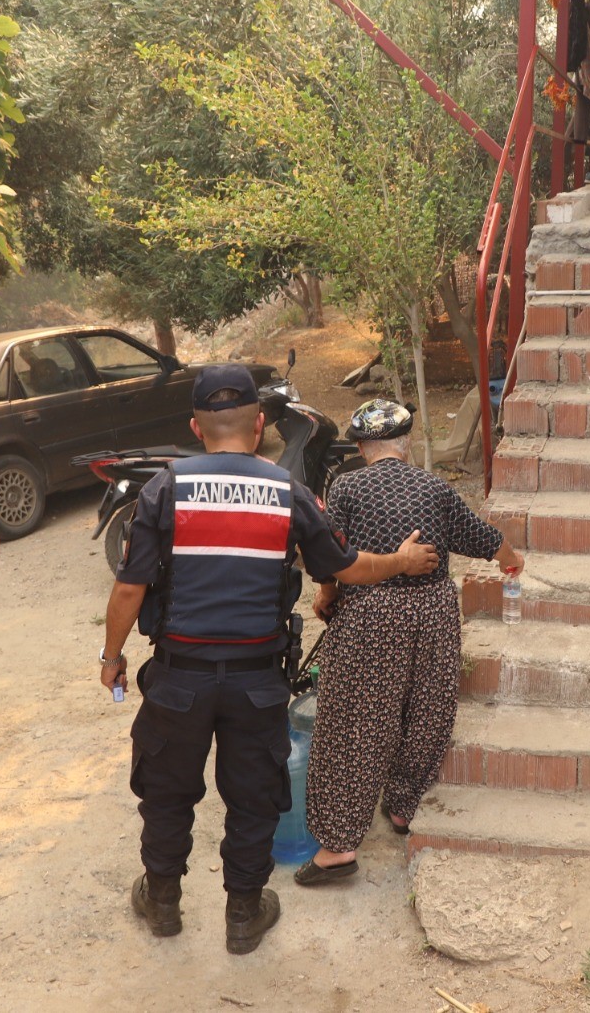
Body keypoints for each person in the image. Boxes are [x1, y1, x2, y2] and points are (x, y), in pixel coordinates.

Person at [99, 366, 439, 955]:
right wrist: (401, 563)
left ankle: (163, 904)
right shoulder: (289, 494)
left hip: (179, 679)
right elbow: (344, 567)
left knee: (167, 792)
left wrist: (111, 658)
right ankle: (243, 915)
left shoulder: (165, 488)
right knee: (254, 796)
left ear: (194, 427)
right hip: (257, 683)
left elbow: (129, 589)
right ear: (259, 426)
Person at [294, 399, 524, 887]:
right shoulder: (436, 488)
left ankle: (338, 847)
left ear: (361, 448)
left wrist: (327, 593)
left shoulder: (347, 486)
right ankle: (401, 808)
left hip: (371, 614)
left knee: (356, 721)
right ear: (406, 444)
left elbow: (330, 552)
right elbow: (483, 538)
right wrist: (512, 560)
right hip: (433, 611)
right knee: (427, 709)